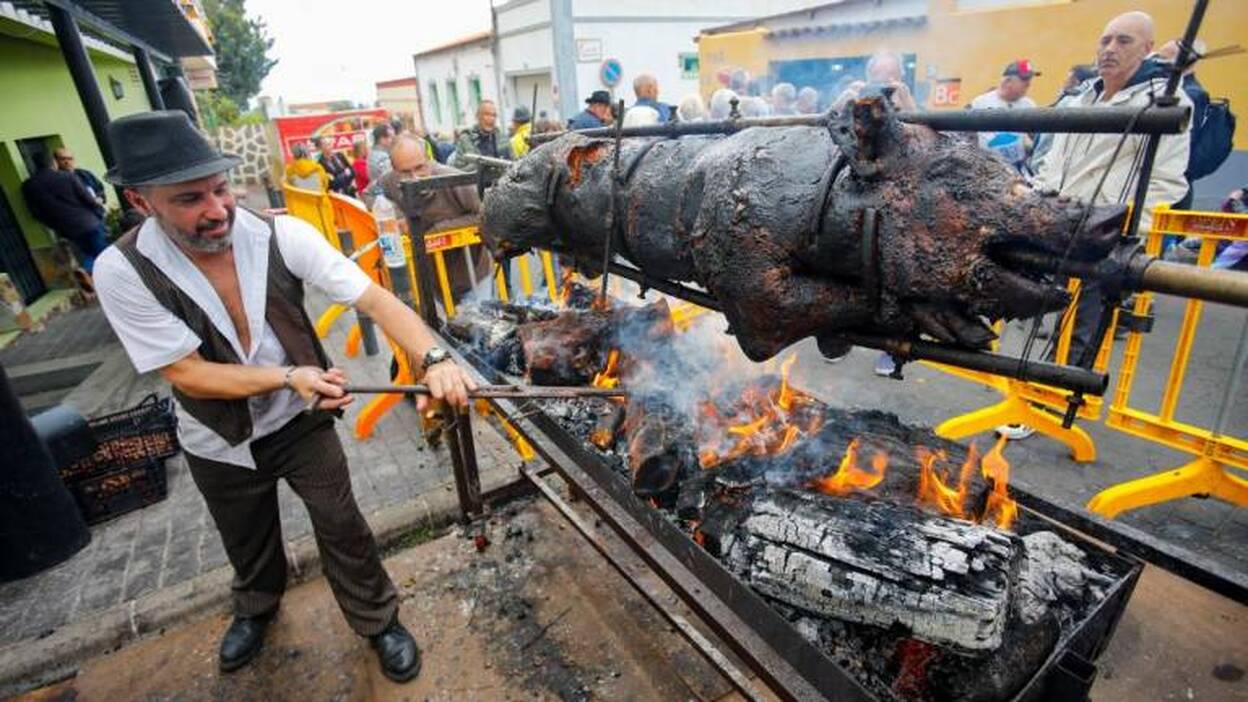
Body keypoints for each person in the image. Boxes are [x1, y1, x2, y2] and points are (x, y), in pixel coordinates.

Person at [93, 110, 476, 681]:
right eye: (190, 199)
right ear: (143, 202)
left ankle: (379, 620)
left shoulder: (281, 235)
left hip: (301, 420)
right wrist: (288, 376)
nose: (217, 209)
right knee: (247, 539)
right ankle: (256, 607)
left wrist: (436, 357)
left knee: (341, 523)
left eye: (221, 189)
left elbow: (377, 302)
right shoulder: (122, 270)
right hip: (216, 436)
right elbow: (188, 373)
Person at [1002, 11, 1192, 440]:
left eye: (1123, 41)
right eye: (1105, 40)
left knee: (1083, 325)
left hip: (1103, 234)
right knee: (1046, 312)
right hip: (1060, 223)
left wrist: (1122, 231)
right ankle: (1030, 393)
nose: (1109, 49)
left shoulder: (1166, 102)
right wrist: (1037, 201)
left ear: (1147, 49)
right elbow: (1056, 163)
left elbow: (1165, 181)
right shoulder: (1082, 99)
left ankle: (1047, 404)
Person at [379, 135, 492, 300]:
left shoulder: (452, 179)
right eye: (405, 172)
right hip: (433, 282)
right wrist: (397, 215)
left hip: (473, 277)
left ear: (428, 159)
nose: (415, 178)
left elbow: (485, 214)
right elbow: (371, 194)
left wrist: (437, 230)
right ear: (394, 169)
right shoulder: (389, 180)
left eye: (420, 168)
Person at [21, 149, 107, 273]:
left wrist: (55, 224)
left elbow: (35, 213)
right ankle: (91, 273)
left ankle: (89, 275)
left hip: (66, 230)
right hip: (89, 223)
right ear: (54, 163)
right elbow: (89, 200)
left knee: (87, 254)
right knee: (102, 254)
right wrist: (98, 204)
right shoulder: (68, 177)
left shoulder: (29, 186)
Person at [969, 60, 1040, 172]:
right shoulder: (980, 103)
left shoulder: (1029, 105)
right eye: (1024, 79)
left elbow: (1036, 137)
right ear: (1007, 81)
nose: (1028, 83)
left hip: (1018, 168)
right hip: (988, 168)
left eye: (1029, 79)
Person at [834, 51, 920, 113]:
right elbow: (826, 126)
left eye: (891, 73)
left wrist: (910, 109)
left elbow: (925, 133)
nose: (882, 78)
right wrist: (837, 107)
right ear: (868, 77)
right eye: (876, 74)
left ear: (900, 78)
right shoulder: (858, 96)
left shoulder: (905, 100)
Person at [450, 100, 513, 171]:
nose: (491, 119)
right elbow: (459, 172)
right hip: (477, 180)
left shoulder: (503, 139)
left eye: (494, 115)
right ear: (477, 116)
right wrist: (480, 164)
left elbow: (513, 164)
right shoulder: (466, 139)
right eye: (487, 114)